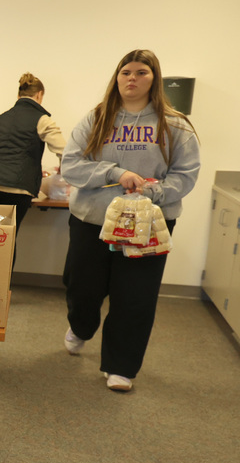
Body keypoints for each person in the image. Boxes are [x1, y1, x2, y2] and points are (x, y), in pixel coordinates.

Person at [60, 49, 200, 392]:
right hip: (93, 220)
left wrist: (153, 192)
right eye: (126, 72)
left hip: (149, 225)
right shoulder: (98, 117)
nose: (132, 79)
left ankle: (121, 366)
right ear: (117, 77)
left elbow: (186, 174)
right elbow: (70, 165)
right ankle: (81, 326)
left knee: (135, 297)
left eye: (141, 73)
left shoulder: (175, 125)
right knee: (82, 288)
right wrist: (116, 172)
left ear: (155, 79)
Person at [0, 72, 65, 266]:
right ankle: (2, 293)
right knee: (4, 242)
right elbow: (65, 151)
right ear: (39, 95)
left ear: (18, 95)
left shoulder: (1, 118)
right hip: (14, 190)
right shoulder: (42, 119)